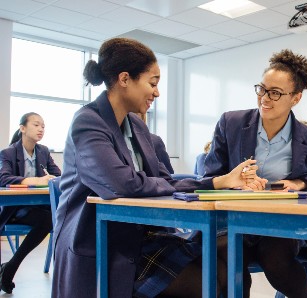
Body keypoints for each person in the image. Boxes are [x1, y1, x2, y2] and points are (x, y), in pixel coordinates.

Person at [51, 38, 258, 298]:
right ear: (125, 79)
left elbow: (164, 180)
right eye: (153, 82)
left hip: (142, 236)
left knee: (232, 271)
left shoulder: (137, 126)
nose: (157, 93)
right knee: (208, 283)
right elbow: (122, 184)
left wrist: (219, 181)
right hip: (103, 241)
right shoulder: (88, 122)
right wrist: (156, 184)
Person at [205, 49, 307, 298]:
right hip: (233, 220)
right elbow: (210, 173)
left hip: (279, 223)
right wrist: (235, 183)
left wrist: (299, 183)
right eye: (261, 89)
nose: (265, 98)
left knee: (276, 258)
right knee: (226, 253)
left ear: (295, 98)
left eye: (275, 93)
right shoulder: (230, 123)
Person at [0, 112, 60, 294]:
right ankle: (10, 269)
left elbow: (58, 175)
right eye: (36, 125)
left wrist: (51, 179)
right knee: (49, 219)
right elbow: (3, 178)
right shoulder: (8, 153)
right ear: (22, 128)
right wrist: (36, 180)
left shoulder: (43, 151)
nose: (41, 129)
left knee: (53, 217)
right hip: (15, 210)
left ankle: (10, 266)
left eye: (43, 126)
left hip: (38, 208)